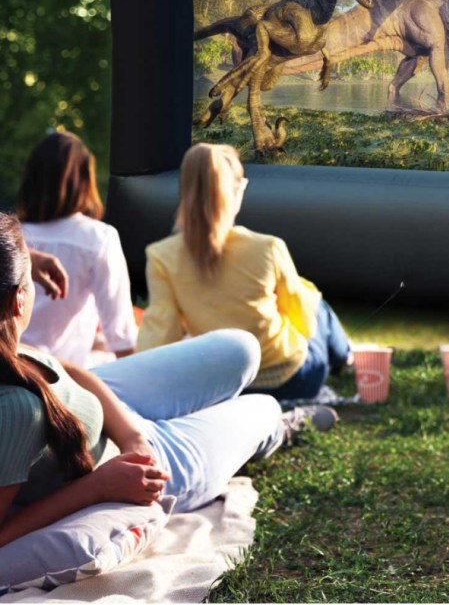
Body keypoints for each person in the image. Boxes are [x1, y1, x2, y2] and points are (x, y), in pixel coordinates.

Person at [0, 213, 333, 548]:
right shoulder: (16, 410)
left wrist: (131, 436)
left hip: (102, 407)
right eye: (31, 280)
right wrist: (100, 485)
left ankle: (204, 422)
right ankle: (281, 428)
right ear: (17, 301)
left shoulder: (6, 340)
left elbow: (68, 369)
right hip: (126, 466)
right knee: (263, 407)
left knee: (242, 347)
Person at [137, 143, 352, 401]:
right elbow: (305, 323)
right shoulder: (268, 248)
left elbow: (163, 335)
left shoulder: (161, 256)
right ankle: (346, 357)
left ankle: (346, 355)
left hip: (226, 386)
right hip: (292, 381)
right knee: (316, 303)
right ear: (237, 191)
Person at [17, 132, 137, 366]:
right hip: (64, 377)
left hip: (11, 369)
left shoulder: (11, 239)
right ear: (84, 181)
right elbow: (121, 337)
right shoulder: (99, 238)